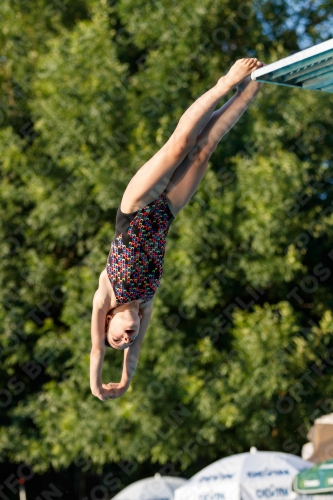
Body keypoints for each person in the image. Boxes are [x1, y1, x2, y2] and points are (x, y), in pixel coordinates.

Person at [90, 58, 264, 401]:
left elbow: (96, 352)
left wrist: (99, 386)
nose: (126, 339)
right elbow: (136, 352)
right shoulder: (146, 303)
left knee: (179, 146)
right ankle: (256, 85)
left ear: (107, 322)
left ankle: (225, 83)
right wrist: (126, 380)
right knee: (204, 151)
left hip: (136, 207)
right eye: (127, 340)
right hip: (167, 212)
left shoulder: (105, 296)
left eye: (116, 337)